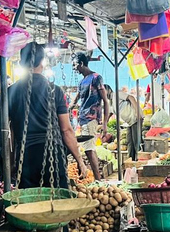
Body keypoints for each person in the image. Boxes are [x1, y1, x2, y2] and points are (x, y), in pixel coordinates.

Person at [10, 43, 87, 189]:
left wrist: (13, 161)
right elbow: (66, 130)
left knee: (29, 203)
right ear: (43, 62)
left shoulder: (11, 92)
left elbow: (11, 131)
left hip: (25, 156)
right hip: (53, 155)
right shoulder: (55, 91)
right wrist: (80, 161)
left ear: (20, 63)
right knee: (58, 203)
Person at [74, 53, 110, 179]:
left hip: (91, 118)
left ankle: (98, 180)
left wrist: (104, 125)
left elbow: (106, 101)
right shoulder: (81, 82)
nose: (75, 68)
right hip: (82, 119)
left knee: (89, 149)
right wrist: (70, 106)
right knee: (85, 148)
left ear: (82, 64)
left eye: (75, 65)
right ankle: (91, 178)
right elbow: (78, 97)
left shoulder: (96, 78)